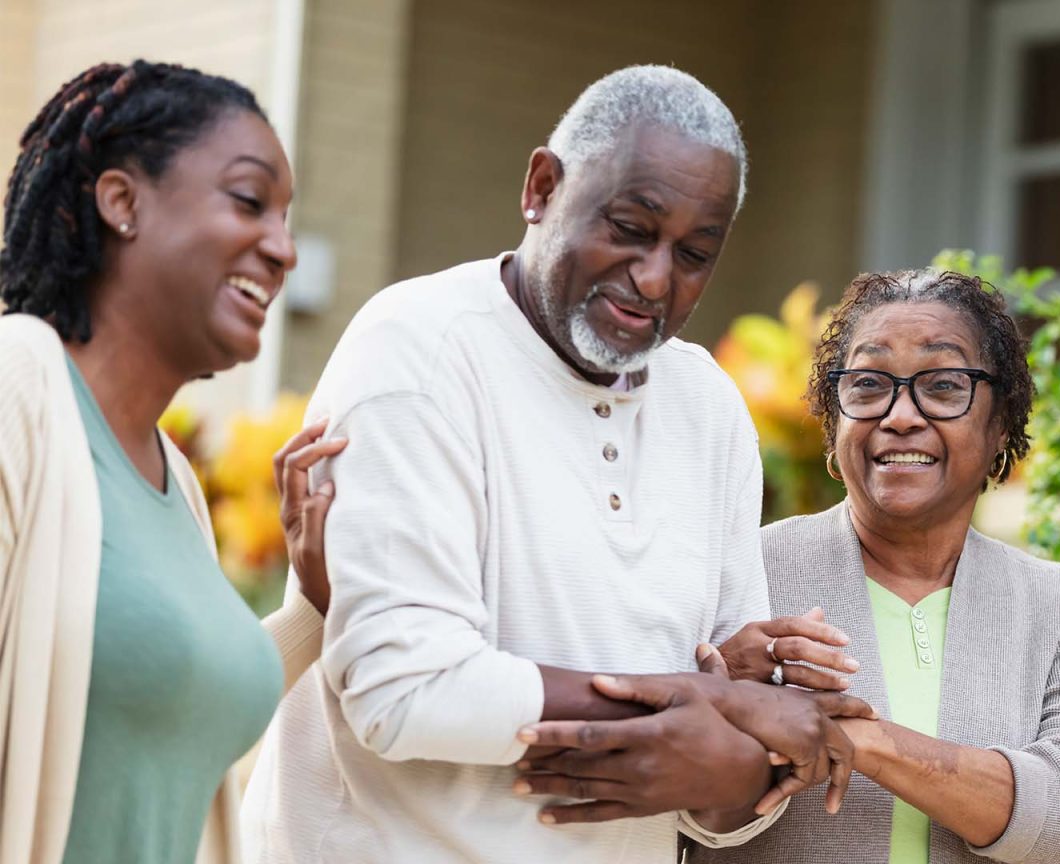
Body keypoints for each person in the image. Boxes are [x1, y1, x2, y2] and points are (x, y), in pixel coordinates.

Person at [241, 65, 871, 864]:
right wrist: (699, 702)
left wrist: (735, 758)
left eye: (694, 254)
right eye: (632, 228)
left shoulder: (709, 406)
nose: (655, 280)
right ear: (541, 187)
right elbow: (402, 692)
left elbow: (720, 789)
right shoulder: (418, 351)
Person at [523, 269, 1060, 863]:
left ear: (999, 428)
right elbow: (675, 814)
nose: (901, 416)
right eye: (869, 384)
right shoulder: (745, 570)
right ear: (832, 425)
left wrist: (867, 741)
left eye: (944, 386)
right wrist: (724, 694)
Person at [0, 61, 342, 864]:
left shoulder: (175, 481)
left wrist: (314, 611)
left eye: (288, 219)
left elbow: (167, 703)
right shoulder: (17, 390)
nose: (284, 249)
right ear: (123, 202)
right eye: (249, 201)